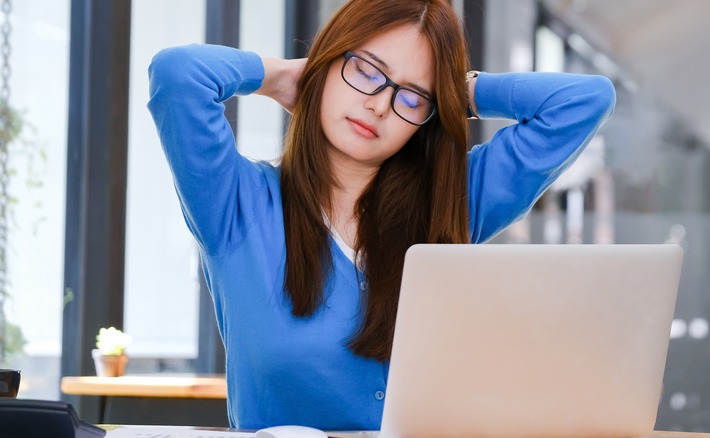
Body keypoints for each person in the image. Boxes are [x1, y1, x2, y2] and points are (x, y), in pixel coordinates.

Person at [147, 0, 615, 431]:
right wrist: (280, 75)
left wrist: (460, 92)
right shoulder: (235, 203)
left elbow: (583, 100)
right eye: (367, 71)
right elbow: (178, 74)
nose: (379, 105)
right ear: (329, 61)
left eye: (412, 97)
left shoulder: (454, 204)